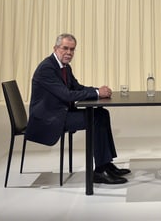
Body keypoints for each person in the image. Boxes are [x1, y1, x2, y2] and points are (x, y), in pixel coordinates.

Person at [27, 33, 130, 184]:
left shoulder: (64, 67)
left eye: (72, 49)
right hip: (49, 118)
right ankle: (99, 172)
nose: (69, 53)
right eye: (65, 48)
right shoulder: (47, 68)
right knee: (96, 118)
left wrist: (98, 90)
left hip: (61, 112)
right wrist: (96, 93)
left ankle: (106, 164)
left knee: (102, 113)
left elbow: (77, 88)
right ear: (55, 48)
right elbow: (67, 95)